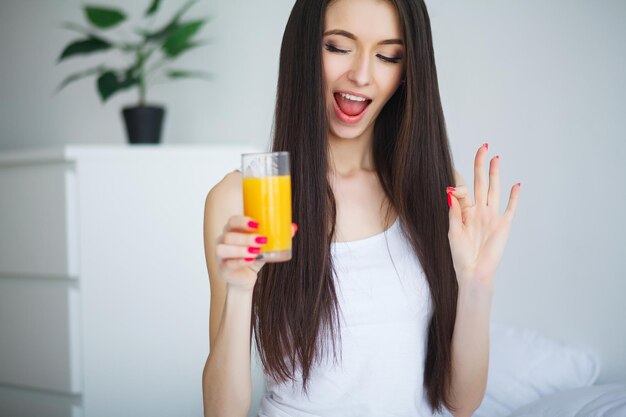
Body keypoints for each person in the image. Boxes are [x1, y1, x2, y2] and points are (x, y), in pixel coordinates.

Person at [202, 0, 521, 416]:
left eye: (388, 55)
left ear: (408, 72)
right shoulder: (243, 198)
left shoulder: (436, 193)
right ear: (303, 50)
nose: (362, 75)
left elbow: (461, 402)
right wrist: (241, 290)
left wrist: (477, 284)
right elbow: (220, 412)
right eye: (338, 47)